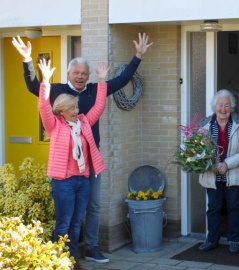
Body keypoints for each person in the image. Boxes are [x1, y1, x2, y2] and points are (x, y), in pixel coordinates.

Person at [12, 33, 153, 263]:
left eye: (84, 74)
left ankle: (91, 248)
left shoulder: (91, 93)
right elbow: (34, 88)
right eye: (76, 73)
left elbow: (119, 83)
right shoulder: (55, 92)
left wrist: (137, 56)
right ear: (68, 74)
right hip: (64, 169)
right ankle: (62, 258)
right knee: (67, 218)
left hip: (88, 163)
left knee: (93, 207)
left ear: (88, 77)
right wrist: (28, 61)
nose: (80, 77)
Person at [37, 58, 109, 270]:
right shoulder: (54, 125)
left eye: (77, 107)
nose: (78, 111)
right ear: (62, 110)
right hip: (64, 182)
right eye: (74, 108)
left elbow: (100, 105)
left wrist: (102, 80)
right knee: (64, 222)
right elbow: (43, 106)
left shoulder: (84, 122)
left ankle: (72, 259)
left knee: (77, 222)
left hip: (82, 180)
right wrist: (46, 82)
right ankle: (60, 260)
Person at [197, 89, 239, 254]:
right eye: (220, 105)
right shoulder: (205, 125)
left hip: (233, 174)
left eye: (227, 105)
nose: (223, 109)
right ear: (214, 106)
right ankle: (212, 239)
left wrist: (227, 164)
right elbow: (198, 151)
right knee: (213, 208)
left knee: (234, 207)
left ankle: (234, 239)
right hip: (212, 174)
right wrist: (213, 165)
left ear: (232, 107)